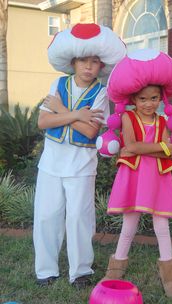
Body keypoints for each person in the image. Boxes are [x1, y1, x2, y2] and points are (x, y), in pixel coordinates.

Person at [33, 23, 126, 288]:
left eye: (95, 61)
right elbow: (42, 121)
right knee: (46, 215)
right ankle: (45, 270)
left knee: (79, 218)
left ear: (101, 66)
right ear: (73, 62)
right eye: (83, 60)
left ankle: (80, 271)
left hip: (82, 165)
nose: (88, 66)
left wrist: (60, 112)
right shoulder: (58, 82)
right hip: (51, 162)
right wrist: (75, 113)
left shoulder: (101, 92)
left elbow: (89, 131)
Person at [100, 50, 172, 298]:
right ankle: (115, 268)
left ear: (161, 98)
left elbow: (161, 152)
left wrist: (149, 149)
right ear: (134, 100)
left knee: (162, 226)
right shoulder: (128, 117)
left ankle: (169, 273)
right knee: (129, 224)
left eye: (154, 98)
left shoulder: (162, 122)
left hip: (157, 179)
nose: (149, 103)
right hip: (135, 178)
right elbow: (130, 146)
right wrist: (162, 147)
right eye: (143, 99)